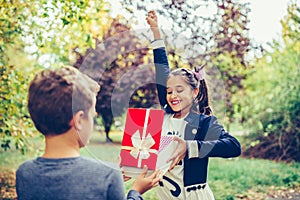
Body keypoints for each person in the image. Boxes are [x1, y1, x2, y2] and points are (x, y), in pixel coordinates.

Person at [16, 66, 161, 200]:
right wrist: (135, 192)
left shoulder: (24, 173)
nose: (93, 119)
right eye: (92, 115)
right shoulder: (108, 176)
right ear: (79, 120)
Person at [146, 10, 242, 199]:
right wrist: (156, 32)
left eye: (180, 90)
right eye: (169, 91)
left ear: (195, 92)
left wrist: (191, 147)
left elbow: (234, 146)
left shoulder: (204, 123)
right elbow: (161, 70)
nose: (173, 95)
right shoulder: (163, 117)